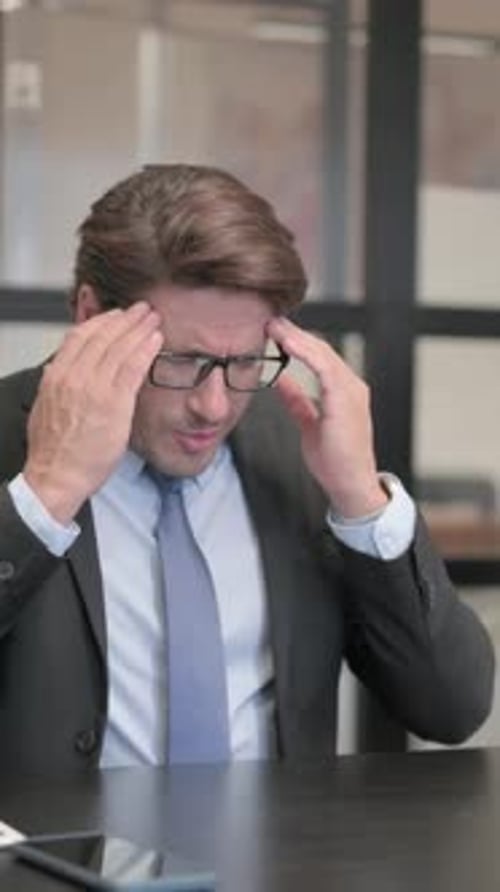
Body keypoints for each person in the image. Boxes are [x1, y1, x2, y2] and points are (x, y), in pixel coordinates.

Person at [0, 164, 494, 775]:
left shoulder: (300, 450)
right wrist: (47, 494)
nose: (214, 405)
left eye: (243, 362)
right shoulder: (9, 438)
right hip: (47, 868)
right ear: (91, 314)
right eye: (181, 361)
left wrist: (362, 502)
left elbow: (451, 707)